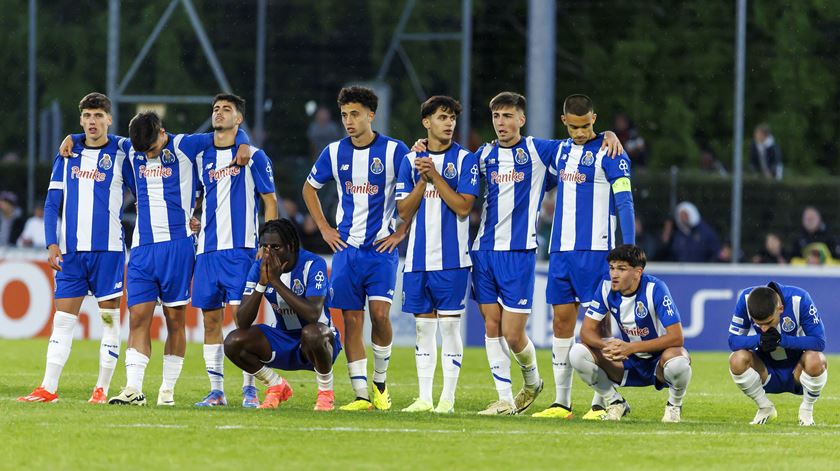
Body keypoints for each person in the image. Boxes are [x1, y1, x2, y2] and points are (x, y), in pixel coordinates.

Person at [413, 92, 623, 415]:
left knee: (513, 334)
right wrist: (421, 146)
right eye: (496, 117)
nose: (502, 123)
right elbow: (449, 161)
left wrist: (608, 134)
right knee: (491, 326)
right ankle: (505, 399)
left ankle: (533, 379)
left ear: (521, 120)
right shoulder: (481, 156)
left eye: (508, 116)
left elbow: (581, 144)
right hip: (484, 251)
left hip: (520, 252)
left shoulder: (539, 151)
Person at [96, 111, 250, 406]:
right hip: (142, 248)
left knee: (174, 320)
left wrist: (242, 141)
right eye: (143, 152)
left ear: (162, 133)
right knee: (138, 316)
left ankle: (167, 390)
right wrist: (72, 138)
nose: (148, 155)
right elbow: (98, 138)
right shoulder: (132, 147)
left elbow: (225, 133)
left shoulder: (185, 145)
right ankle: (133, 388)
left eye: (152, 149)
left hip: (178, 247)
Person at [18, 93, 132, 404]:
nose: (93, 121)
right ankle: (48, 388)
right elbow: (53, 202)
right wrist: (51, 242)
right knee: (62, 320)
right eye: (87, 116)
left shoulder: (122, 152)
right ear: (81, 119)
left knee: (109, 321)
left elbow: (144, 192)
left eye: (99, 116)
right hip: (71, 253)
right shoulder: (68, 153)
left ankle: (102, 389)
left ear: (109, 119)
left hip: (108, 252)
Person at [302, 86, 410, 411]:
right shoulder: (334, 152)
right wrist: (324, 228)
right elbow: (309, 188)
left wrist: (401, 232)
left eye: (355, 114)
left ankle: (380, 382)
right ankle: (362, 395)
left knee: (379, 315)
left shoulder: (395, 151)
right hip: (347, 251)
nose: (349, 121)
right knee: (351, 320)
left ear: (371, 115)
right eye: (345, 115)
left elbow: (411, 197)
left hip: (380, 251)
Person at [533, 94, 635, 420]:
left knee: (597, 327)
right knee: (561, 322)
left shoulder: (611, 152)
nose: (580, 132)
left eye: (586, 125)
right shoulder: (559, 151)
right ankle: (562, 402)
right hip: (561, 252)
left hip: (597, 252)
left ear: (594, 118)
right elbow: (520, 149)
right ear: (564, 122)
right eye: (574, 126)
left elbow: (625, 202)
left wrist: (629, 251)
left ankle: (600, 400)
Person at [190, 94, 277, 408]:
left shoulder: (253, 155)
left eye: (227, 109)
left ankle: (249, 390)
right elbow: (198, 197)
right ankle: (216, 391)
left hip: (241, 252)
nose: (219, 113)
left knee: (244, 323)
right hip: (208, 253)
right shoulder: (202, 157)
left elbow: (270, 201)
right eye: (215, 108)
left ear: (239, 119)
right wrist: (195, 216)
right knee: (210, 321)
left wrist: (268, 245)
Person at [395, 96, 477, 414]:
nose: (449, 123)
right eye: (442, 117)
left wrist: (436, 176)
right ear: (426, 123)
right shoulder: (410, 160)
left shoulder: (465, 160)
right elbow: (403, 211)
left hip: (453, 260)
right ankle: (425, 397)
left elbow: (464, 207)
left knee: (450, 328)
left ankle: (448, 398)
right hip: (417, 259)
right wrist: (422, 180)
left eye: (452, 117)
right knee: (423, 329)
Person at [223, 219, 341, 411]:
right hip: (284, 337)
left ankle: (326, 394)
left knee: (312, 332)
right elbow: (242, 321)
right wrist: (262, 283)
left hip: (319, 341)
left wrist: (276, 282)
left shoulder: (313, 264)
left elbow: (312, 315)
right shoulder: (259, 267)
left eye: (275, 247)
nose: (269, 253)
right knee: (233, 341)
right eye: (265, 246)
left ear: (291, 246)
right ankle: (276, 385)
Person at [570, 245, 692, 422]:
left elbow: (677, 337)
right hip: (628, 362)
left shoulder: (655, 289)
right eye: (612, 268)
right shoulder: (605, 288)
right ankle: (615, 402)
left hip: (659, 362)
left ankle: (674, 406)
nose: (614, 274)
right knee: (577, 353)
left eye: (621, 269)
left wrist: (631, 347)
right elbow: (586, 332)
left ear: (637, 272)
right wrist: (607, 345)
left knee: (679, 361)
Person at [728, 283, 827, 425]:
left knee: (816, 359)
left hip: (798, 374)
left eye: (768, 322)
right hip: (765, 371)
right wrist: (759, 339)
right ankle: (765, 407)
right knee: (736, 359)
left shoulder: (799, 299)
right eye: (758, 324)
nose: (764, 329)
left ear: (780, 308)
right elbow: (733, 341)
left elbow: (819, 342)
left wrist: (782, 340)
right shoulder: (746, 299)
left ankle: (807, 410)